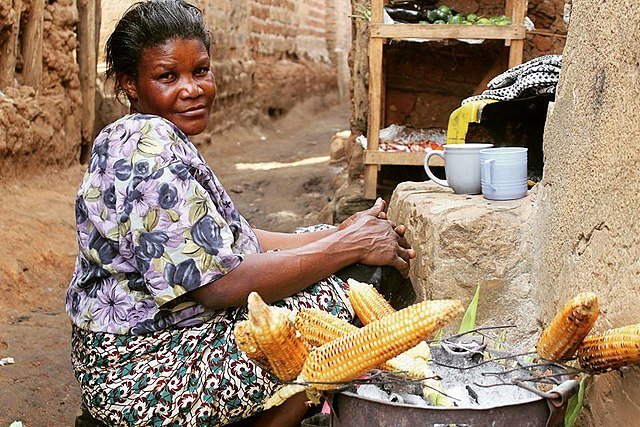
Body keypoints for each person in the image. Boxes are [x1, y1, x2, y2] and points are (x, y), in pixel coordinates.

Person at [66, 1, 415, 426]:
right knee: (356, 288)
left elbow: (233, 237)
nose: (191, 88)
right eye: (167, 76)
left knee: (336, 253)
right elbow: (218, 288)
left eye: (200, 71)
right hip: (142, 376)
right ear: (130, 83)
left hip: (130, 350)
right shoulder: (148, 148)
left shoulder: (136, 133)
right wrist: (345, 248)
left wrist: (338, 234)